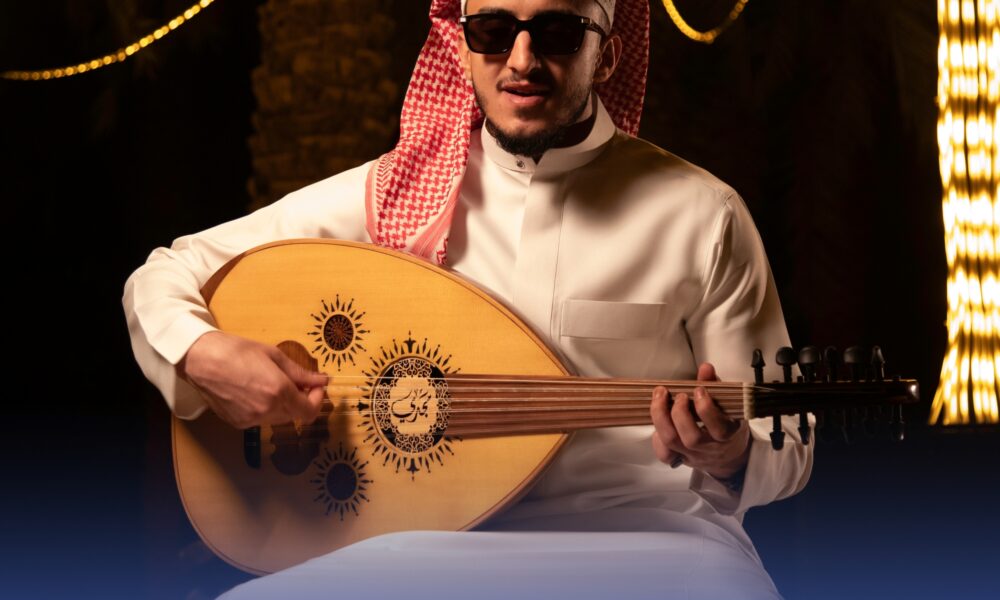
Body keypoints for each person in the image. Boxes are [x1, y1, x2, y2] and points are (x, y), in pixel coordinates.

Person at [124, 1, 812, 597]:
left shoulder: (702, 215)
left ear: (608, 55)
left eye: (558, 33)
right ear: (459, 45)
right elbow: (166, 273)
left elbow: (788, 442)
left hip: (655, 541)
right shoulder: (398, 194)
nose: (522, 59)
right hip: (426, 545)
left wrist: (731, 454)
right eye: (491, 30)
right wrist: (201, 354)